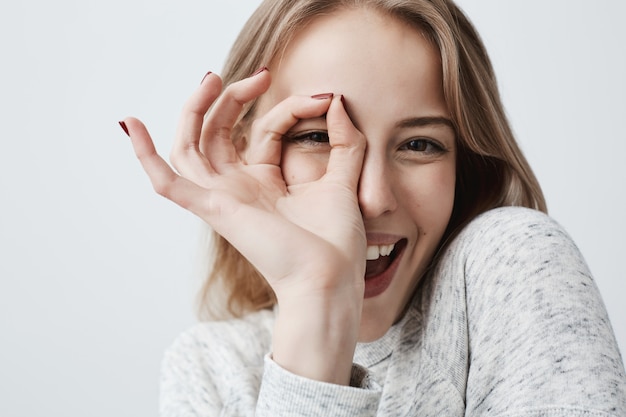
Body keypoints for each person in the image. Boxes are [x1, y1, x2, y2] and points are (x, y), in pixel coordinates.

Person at [119, 0, 626, 415]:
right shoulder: (209, 367)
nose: (371, 198)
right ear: (240, 151)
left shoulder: (511, 262)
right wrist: (317, 300)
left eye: (420, 145)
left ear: (464, 164)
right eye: (317, 136)